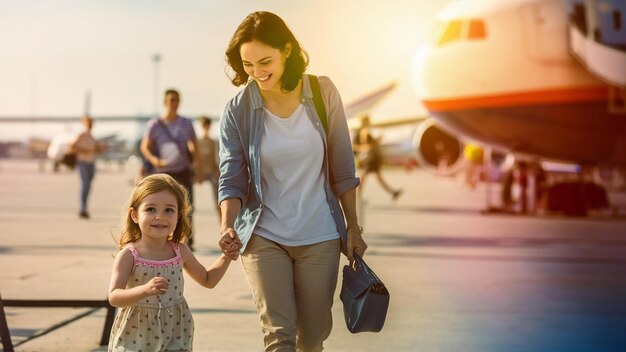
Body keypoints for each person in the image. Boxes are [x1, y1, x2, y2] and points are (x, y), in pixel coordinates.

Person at [218, 11, 367, 351]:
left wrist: (354, 227)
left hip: (321, 235)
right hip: (263, 235)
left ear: (287, 50)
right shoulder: (237, 110)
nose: (256, 73)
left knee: (313, 337)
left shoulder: (322, 91)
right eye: (248, 65)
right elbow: (231, 177)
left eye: (264, 61)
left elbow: (343, 167)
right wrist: (228, 225)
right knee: (278, 335)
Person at [107, 173, 236, 351]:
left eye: (169, 210)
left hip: (175, 329)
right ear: (134, 215)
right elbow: (114, 297)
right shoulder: (130, 254)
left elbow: (208, 280)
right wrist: (144, 290)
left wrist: (226, 256)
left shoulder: (180, 250)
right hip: (136, 333)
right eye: (150, 209)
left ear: (178, 216)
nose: (160, 216)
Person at [140, 89, 204, 249]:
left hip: (182, 171)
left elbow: (195, 148)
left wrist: (199, 168)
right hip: (162, 173)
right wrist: (154, 160)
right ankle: (161, 239)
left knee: (187, 207)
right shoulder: (154, 125)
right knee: (162, 207)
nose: (174, 103)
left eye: (176, 100)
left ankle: (188, 241)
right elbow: (145, 147)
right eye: (171, 100)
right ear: (165, 102)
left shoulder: (187, 123)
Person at [352, 114, 402, 200]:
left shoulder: (362, 131)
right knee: (365, 178)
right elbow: (367, 145)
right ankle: (358, 196)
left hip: (371, 159)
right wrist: (377, 140)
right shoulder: (364, 132)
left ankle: (392, 192)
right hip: (370, 159)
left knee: (370, 178)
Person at [68, 115, 104, 219]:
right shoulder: (81, 135)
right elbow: (71, 147)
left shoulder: (92, 137)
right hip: (82, 162)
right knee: (85, 185)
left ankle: (84, 207)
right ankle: (83, 208)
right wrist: (84, 150)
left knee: (88, 185)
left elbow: (96, 149)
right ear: (85, 124)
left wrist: (100, 148)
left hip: (91, 163)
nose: (90, 125)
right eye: (89, 123)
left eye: (91, 123)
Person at [196, 116, 221, 219]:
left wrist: (217, 171)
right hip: (199, 172)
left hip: (212, 173)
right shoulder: (197, 142)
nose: (205, 127)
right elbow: (196, 159)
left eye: (207, 125)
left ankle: (222, 223)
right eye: (203, 125)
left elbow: (218, 158)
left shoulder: (214, 142)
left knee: (218, 200)